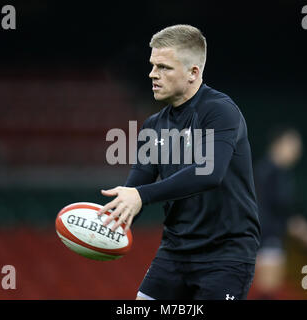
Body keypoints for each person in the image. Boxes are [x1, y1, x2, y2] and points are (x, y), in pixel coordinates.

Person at [98, 24, 261, 300]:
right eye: (152, 65)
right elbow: (136, 190)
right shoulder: (153, 126)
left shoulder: (219, 111)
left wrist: (141, 195)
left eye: (164, 67)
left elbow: (209, 174)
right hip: (174, 252)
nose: (152, 74)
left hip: (225, 256)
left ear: (193, 72)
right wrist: (106, 225)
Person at [253, 127, 307, 299]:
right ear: (278, 144)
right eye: (293, 145)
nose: (297, 151)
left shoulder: (275, 173)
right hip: (264, 238)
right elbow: (274, 208)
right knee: (266, 292)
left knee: (268, 291)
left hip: (266, 237)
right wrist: (302, 229)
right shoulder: (269, 172)